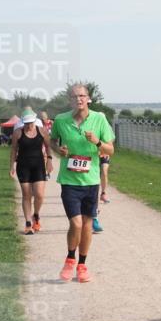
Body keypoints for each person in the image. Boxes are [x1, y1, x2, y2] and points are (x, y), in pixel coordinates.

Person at [50, 84, 115, 283]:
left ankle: (82, 265)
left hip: (91, 180)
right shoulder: (61, 120)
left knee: (87, 225)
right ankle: (70, 259)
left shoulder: (99, 119)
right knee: (76, 223)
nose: (78, 99)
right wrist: (58, 149)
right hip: (69, 181)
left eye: (81, 96)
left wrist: (97, 142)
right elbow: (52, 141)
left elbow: (110, 150)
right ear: (69, 100)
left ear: (88, 99)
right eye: (74, 96)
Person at [9, 110, 53, 234]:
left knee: (39, 194)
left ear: (35, 120)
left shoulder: (42, 131)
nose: (29, 126)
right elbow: (13, 151)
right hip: (23, 166)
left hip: (38, 166)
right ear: (23, 122)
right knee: (26, 195)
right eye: (26, 123)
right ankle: (28, 223)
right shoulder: (18, 133)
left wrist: (49, 160)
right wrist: (12, 166)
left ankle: (36, 215)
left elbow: (48, 146)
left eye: (31, 123)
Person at [39, 110, 54, 180]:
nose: (43, 118)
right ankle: (44, 173)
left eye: (44, 117)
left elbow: (55, 132)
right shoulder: (39, 124)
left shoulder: (51, 123)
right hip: (42, 144)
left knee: (48, 158)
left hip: (49, 144)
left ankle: (47, 173)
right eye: (41, 117)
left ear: (47, 117)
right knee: (43, 158)